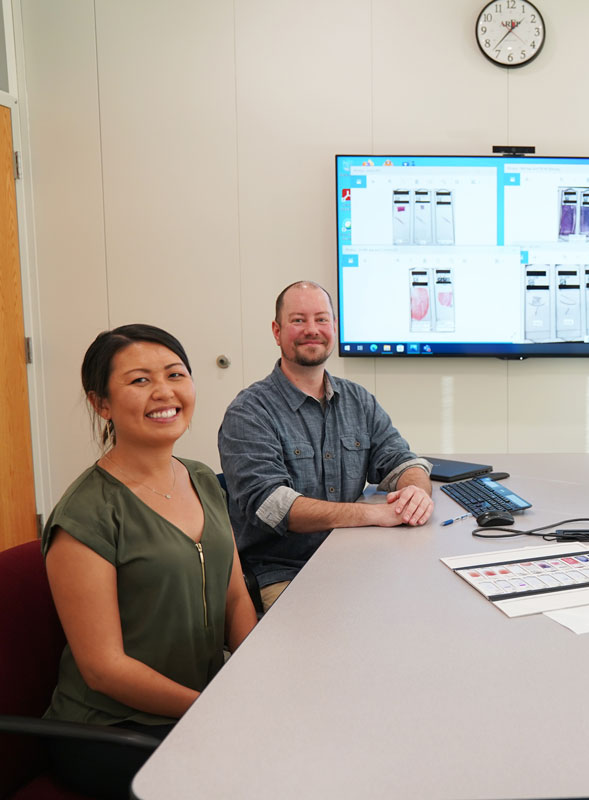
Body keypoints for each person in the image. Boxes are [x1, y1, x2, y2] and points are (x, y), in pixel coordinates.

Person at [41, 325, 257, 800]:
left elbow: (235, 592)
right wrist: (213, 708)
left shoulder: (201, 478)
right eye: (139, 381)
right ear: (102, 405)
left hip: (201, 703)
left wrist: (254, 681)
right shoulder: (87, 514)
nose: (164, 391)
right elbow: (104, 669)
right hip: (114, 729)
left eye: (175, 374)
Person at [218, 281, 433, 610]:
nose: (311, 330)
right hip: (284, 572)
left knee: (422, 609)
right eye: (298, 320)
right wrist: (375, 514)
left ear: (334, 327)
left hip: (355, 559)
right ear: (277, 331)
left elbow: (402, 460)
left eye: (321, 319)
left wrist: (416, 492)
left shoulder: (358, 400)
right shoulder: (249, 412)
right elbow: (275, 506)